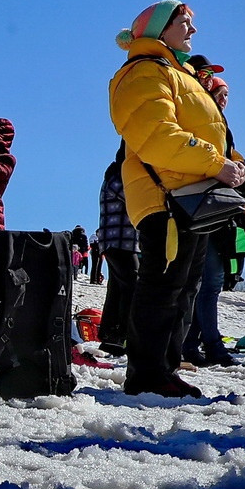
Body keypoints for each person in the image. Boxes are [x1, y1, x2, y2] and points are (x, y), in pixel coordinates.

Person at [109, 0, 245, 398]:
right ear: (159, 29)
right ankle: (147, 373)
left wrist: (232, 165)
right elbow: (157, 136)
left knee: (184, 285)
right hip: (165, 197)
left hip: (192, 195)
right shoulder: (142, 72)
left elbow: (214, 130)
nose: (193, 29)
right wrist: (217, 164)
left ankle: (165, 368)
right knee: (164, 284)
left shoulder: (178, 73)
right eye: (184, 22)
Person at [182, 72, 245, 368]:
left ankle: (193, 343)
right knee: (207, 283)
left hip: (216, 212)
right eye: (219, 93)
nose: (224, 100)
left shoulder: (218, 124)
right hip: (201, 208)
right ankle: (209, 346)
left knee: (208, 283)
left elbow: (232, 163)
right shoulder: (201, 120)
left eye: (227, 95)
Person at [96, 150, 138, 358]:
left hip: (117, 240)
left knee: (118, 288)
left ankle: (111, 337)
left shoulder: (114, 175)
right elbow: (135, 200)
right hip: (120, 240)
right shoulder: (120, 177)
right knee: (131, 286)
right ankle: (122, 335)